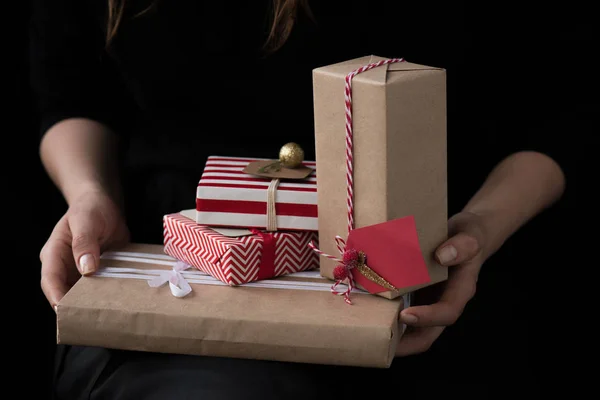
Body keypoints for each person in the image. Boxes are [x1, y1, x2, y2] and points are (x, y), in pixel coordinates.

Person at [30, 0, 567, 398]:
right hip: (168, 283)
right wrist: (90, 195)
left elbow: (555, 115)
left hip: (435, 281)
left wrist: (479, 226)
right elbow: (74, 94)